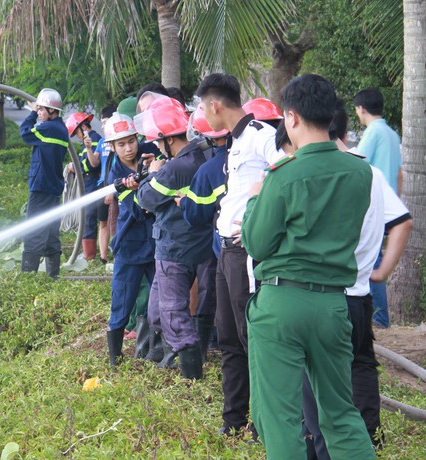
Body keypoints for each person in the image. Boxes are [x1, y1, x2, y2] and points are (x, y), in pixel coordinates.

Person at [241, 73, 376, 459]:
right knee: (340, 413)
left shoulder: (282, 176)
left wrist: (255, 199)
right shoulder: (359, 171)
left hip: (283, 302)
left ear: (292, 117)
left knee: (279, 418)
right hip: (334, 304)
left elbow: (257, 242)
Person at [302, 156, 413, 460]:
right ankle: (369, 440)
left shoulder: (312, 172)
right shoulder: (371, 173)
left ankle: (321, 446)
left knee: (317, 380)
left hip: (324, 295)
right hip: (360, 293)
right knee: (361, 366)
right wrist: (381, 271)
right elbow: (403, 221)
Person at [196, 73, 281, 438]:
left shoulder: (262, 135)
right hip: (225, 252)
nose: (203, 114)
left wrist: (253, 217)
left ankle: (265, 425)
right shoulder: (234, 141)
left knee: (252, 341)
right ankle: (233, 422)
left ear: (215, 105)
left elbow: (286, 170)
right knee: (228, 338)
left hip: (246, 252)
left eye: (202, 107)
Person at [136, 96, 213, 379]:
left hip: (174, 250)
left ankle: (191, 374)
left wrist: (151, 173)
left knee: (171, 312)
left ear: (167, 139)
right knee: (158, 310)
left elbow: (146, 198)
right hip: (194, 247)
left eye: (157, 141)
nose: (155, 147)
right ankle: (169, 355)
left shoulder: (173, 168)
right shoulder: (202, 156)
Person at [176, 105, 231, 355]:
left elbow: (196, 214)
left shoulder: (208, 170)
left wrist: (183, 201)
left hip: (225, 247)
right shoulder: (254, 157)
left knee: (217, 290)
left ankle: (212, 341)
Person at [103, 112, 156, 366]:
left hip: (156, 245)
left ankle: (158, 350)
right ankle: (115, 358)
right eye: (121, 144)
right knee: (122, 301)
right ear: (112, 147)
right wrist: (138, 190)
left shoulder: (150, 153)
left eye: (131, 141)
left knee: (162, 300)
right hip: (130, 247)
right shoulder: (115, 174)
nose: (128, 148)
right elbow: (136, 209)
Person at [354, 87, 403, 328]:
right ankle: (380, 317)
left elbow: (358, 165)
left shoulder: (372, 132)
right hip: (390, 206)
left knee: (372, 263)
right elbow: (400, 174)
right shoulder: (393, 135)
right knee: (376, 259)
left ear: (361, 109)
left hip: (372, 206)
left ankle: (380, 319)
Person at [19, 88, 70, 278]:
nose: (39, 112)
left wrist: (31, 114)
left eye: (41, 109)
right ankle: (52, 276)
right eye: (38, 109)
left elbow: (25, 133)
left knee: (33, 230)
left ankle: (27, 278)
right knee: (50, 232)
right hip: (53, 187)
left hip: (41, 187)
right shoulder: (60, 129)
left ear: (52, 111)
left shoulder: (49, 128)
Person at [65, 112, 102, 261]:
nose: (77, 136)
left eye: (76, 132)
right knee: (85, 216)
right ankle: (87, 253)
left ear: (83, 126)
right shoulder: (89, 139)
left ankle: (89, 256)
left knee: (88, 217)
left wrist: (75, 167)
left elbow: (91, 165)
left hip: (91, 181)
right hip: (86, 182)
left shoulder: (94, 139)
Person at [95, 105, 117, 264]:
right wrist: (88, 148)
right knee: (103, 222)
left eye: (104, 122)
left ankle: (118, 255)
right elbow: (94, 162)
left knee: (115, 223)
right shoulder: (102, 141)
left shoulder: (119, 141)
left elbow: (116, 167)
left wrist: (111, 191)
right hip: (102, 185)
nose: (102, 126)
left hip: (115, 186)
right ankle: (103, 257)